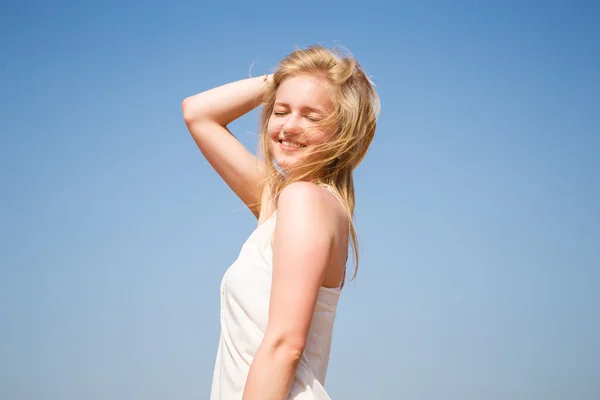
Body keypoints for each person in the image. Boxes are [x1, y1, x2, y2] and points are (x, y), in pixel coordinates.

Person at [182, 45, 379, 400]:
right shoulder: (287, 201)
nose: (289, 126)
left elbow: (284, 346)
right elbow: (197, 113)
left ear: (342, 129)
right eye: (281, 111)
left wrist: (295, 81)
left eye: (311, 116)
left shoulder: (304, 200)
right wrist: (287, 78)